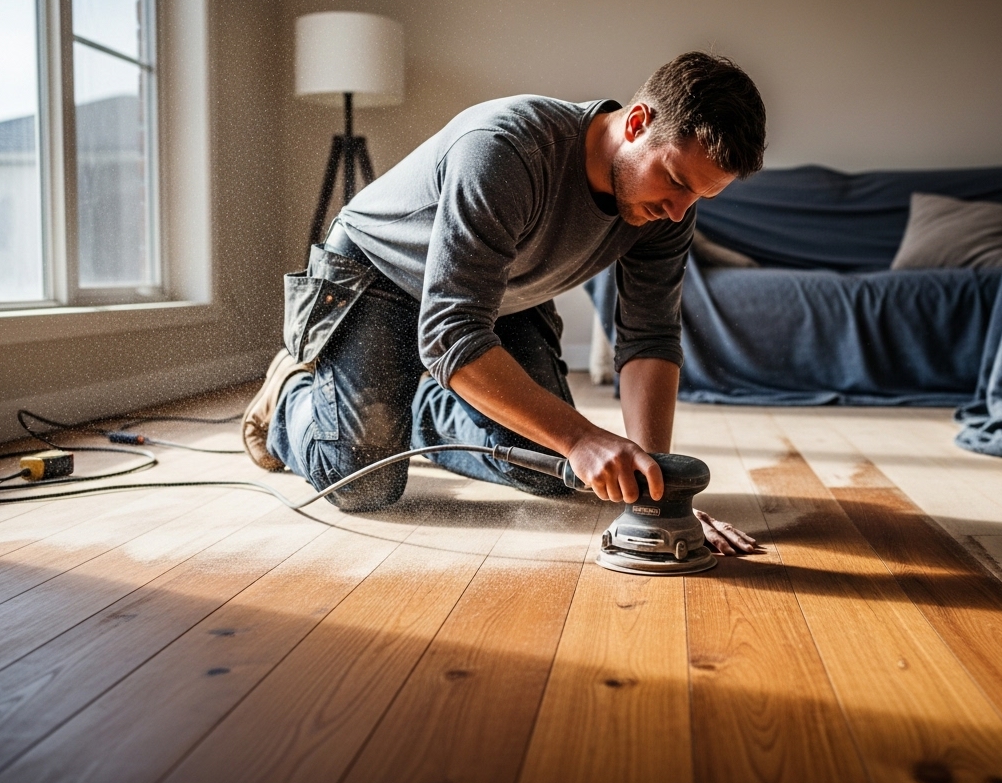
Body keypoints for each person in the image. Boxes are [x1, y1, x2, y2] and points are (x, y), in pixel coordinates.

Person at [242, 51, 764, 555]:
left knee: (553, 468)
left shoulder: (667, 212)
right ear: (637, 123)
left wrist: (659, 494)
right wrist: (582, 437)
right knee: (363, 482)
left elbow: (648, 337)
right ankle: (289, 392)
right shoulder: (507, 148)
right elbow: (451, 332)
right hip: (379, 274)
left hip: (500, 295)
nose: (678, 211)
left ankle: (418, 406)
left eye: (699, 196)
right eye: (674, 180)